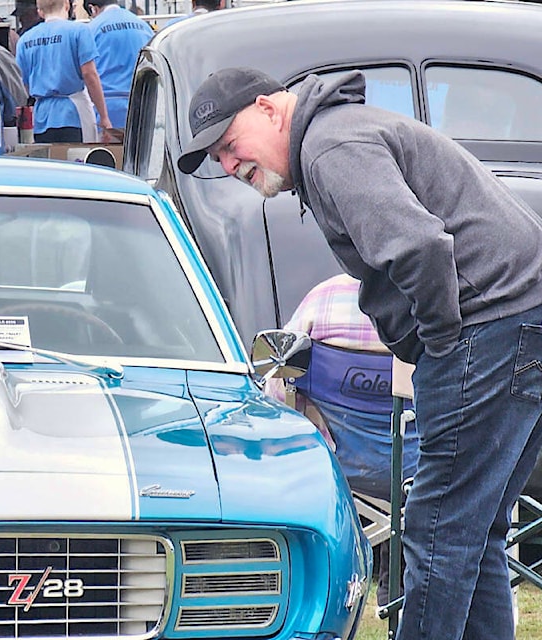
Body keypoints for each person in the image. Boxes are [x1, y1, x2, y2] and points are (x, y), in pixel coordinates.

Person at [177, 65, 542, 640]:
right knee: (475, 532)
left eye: (229, 144)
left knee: (439, 532)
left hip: (493, 323)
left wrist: (439, 345)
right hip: (520, 320)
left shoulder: (329, 147)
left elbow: (419, 246)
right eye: (218, 158)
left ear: (271, 110)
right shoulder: (335, 138)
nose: (228, 165)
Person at [265, 272, 419, 607]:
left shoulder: (323, 298)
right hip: (418, 470)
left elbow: (278, 390)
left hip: (338, 468)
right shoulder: (432, 302)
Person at [14, 0, 112, 143]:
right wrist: (103, 116)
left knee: (51, 162)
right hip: (73, 114)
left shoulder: (24, 40)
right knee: (78, 160)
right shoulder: (79, 31)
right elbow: (89, 74)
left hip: (42, 117)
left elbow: (23, 84)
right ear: (67, 5)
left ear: (40, 12)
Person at [84, 0, 153, 130]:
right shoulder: (143, 26)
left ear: (93, 9)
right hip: (142, 104)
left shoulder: (91, 29)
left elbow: (87, 71)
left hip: (107, 107)